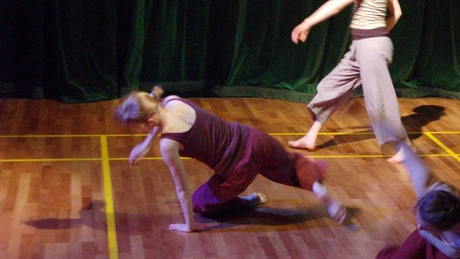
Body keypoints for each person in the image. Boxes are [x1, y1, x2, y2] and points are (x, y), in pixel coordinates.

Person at [114, 86, 347, 232]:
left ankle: (249, 201)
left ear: (148, 122)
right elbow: (159, 121)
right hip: (254, 138)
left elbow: (182, 188)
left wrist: (189, 225)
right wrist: (145, 144)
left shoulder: (168, 144)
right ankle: (320, 190)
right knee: (290, 164)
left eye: (139, 128)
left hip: (238, 169)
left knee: (199, 203)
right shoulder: (173, 101)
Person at [288, 0, 411, 163]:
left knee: (379, 101)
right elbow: (398, 12)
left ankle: (403, 148)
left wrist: (306, 23)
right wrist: (380, 34)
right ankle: (311, 137)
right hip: (362, 47)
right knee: (331, 87)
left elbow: (336, 4)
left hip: (370, 47)